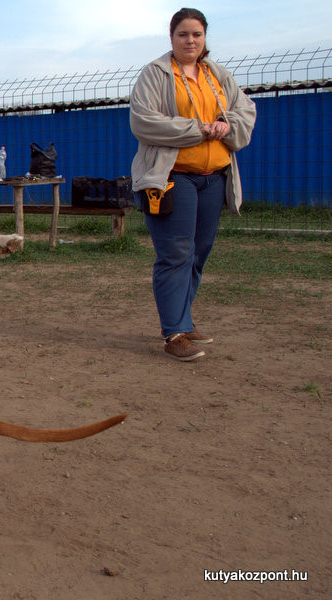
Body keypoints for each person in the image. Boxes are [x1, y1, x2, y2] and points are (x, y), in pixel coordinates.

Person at [130, 7, 256, 361]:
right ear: (171, 38)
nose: (190, 41)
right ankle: (174, 334)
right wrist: (197, 129)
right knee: (176, 254)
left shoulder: (216, 75)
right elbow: (144, 120)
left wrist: (225, 124)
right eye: (183, 34)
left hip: (212, 178)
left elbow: (245, 109)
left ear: (205, 39)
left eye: (197, 35)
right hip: (172, 178)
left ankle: (183, 319)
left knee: (199, 252)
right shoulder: (155, 74)